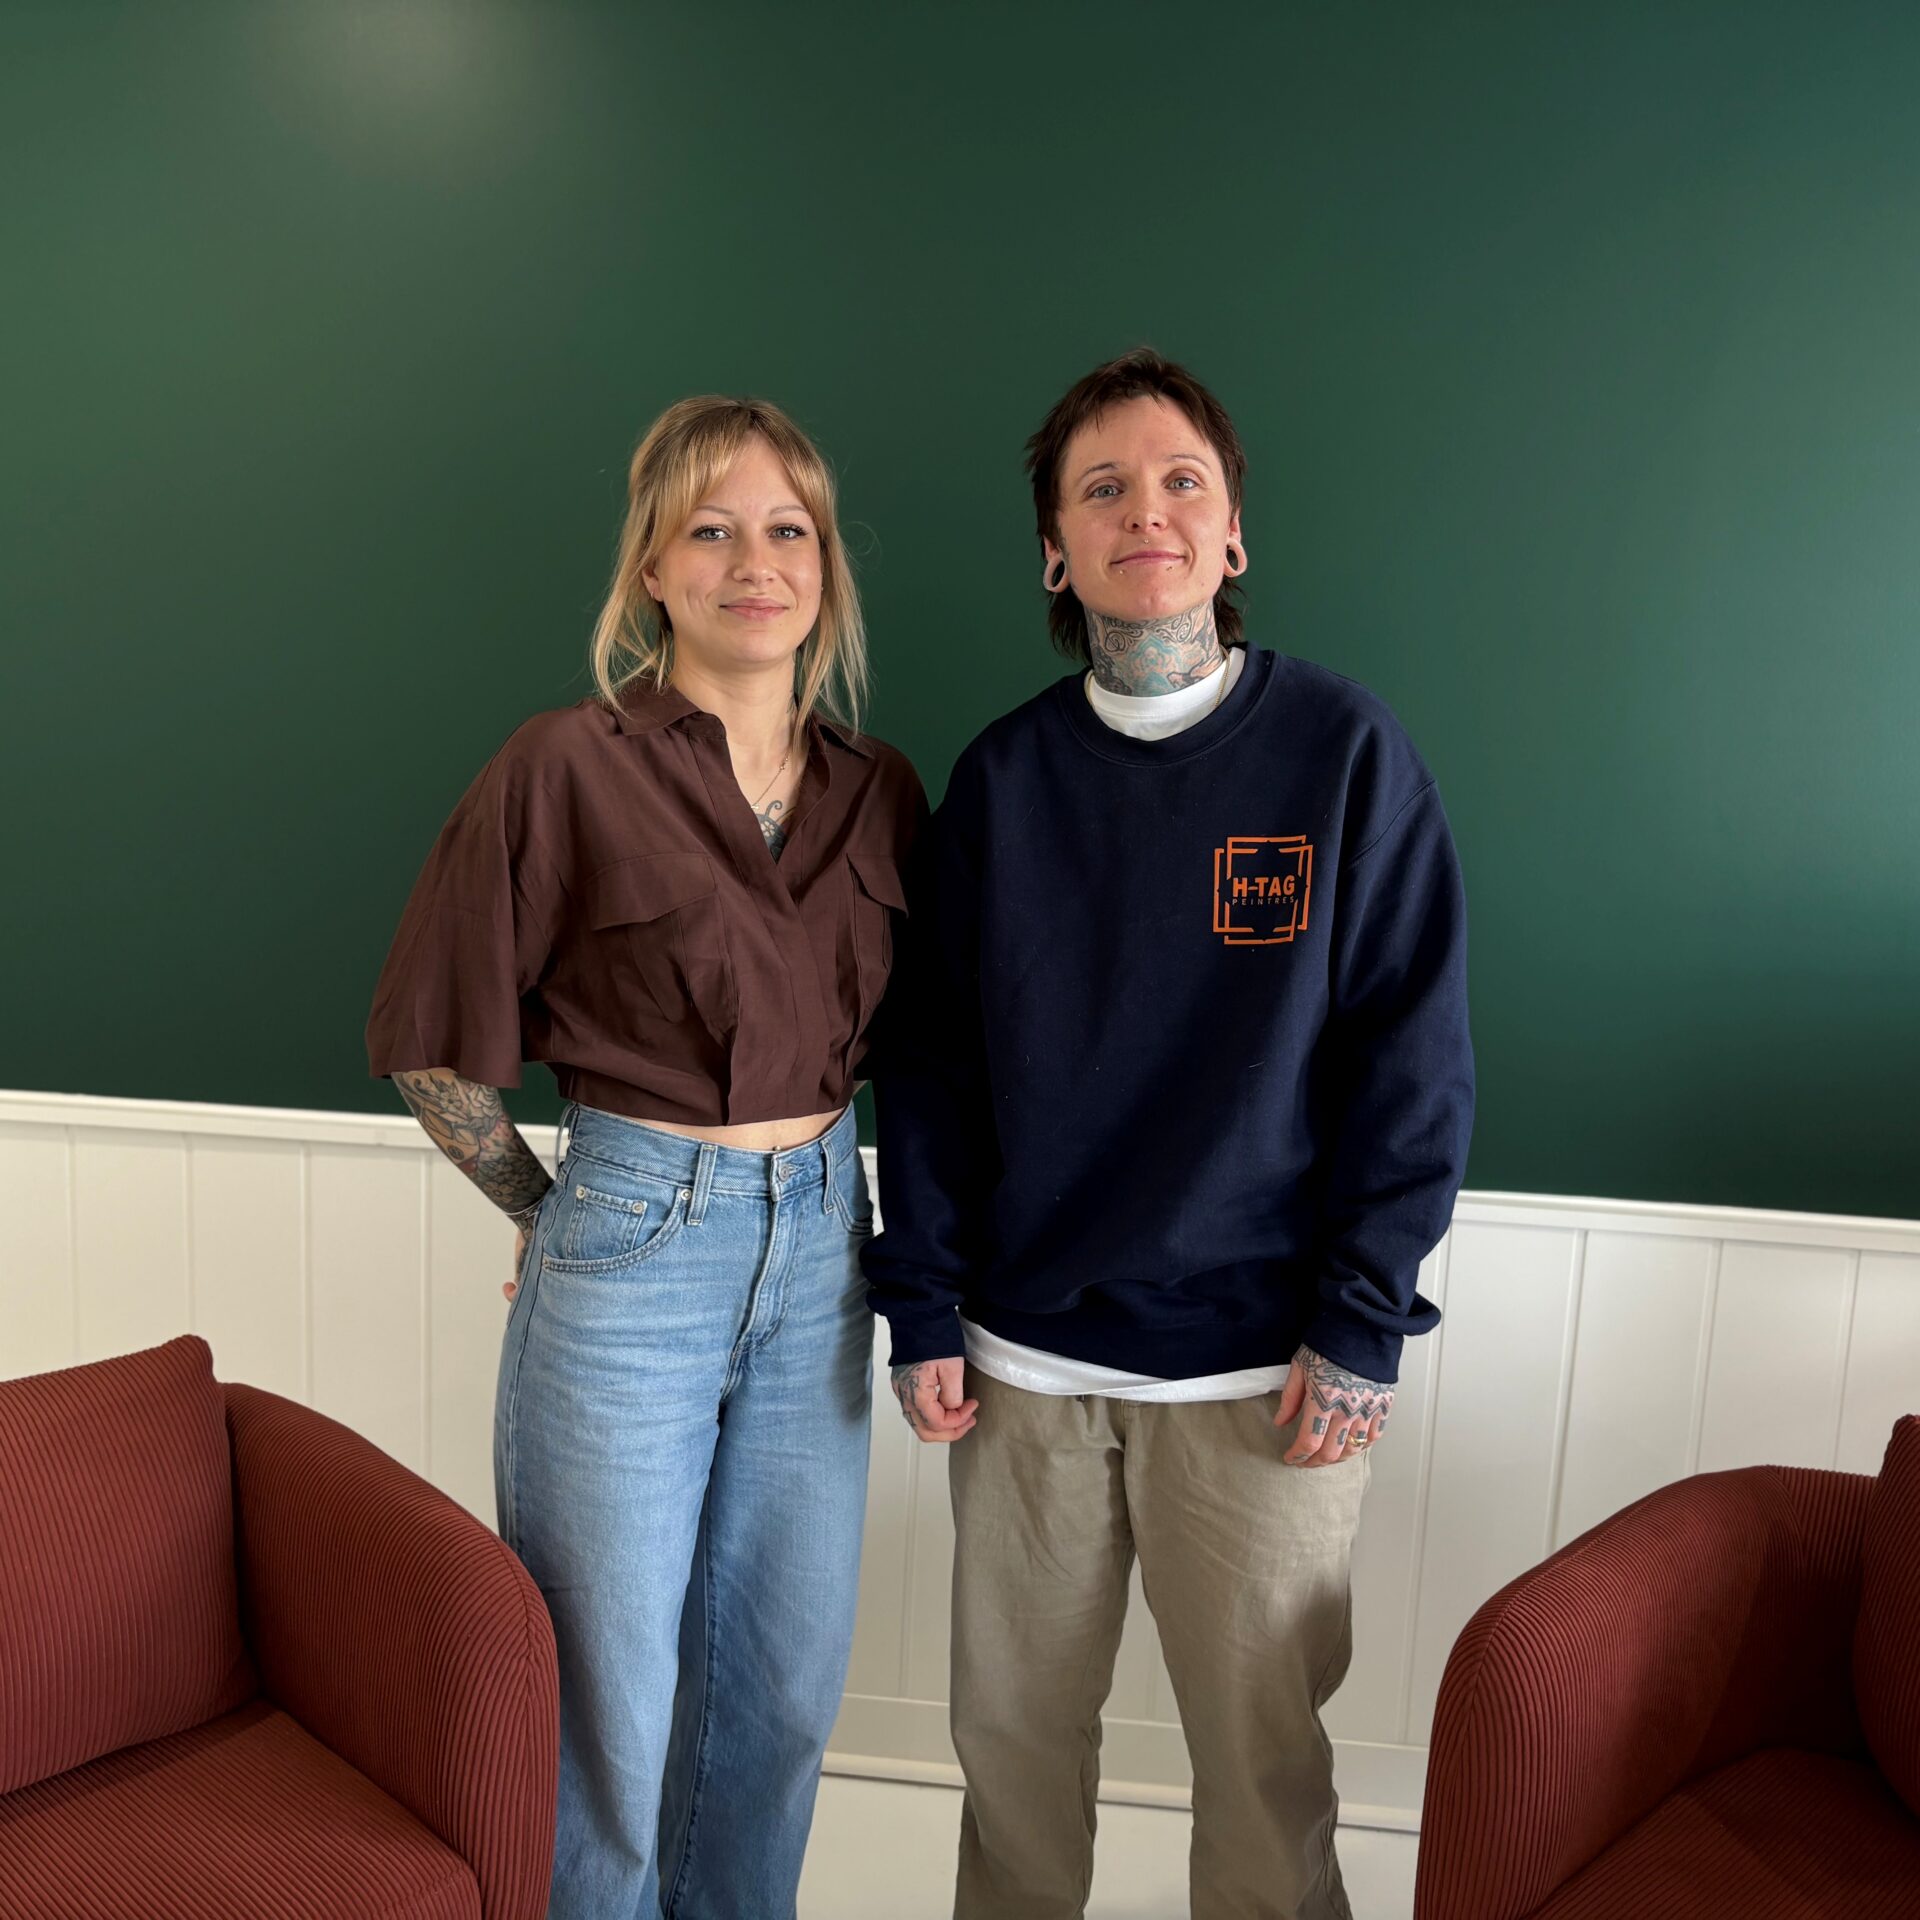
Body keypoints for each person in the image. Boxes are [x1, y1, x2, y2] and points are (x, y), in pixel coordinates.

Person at [863, 348, 1474, 1920]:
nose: (1149, 511)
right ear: (1055, 554)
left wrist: (1362, 1322)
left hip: (1267, 1379)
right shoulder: (1001, 785)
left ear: (1234, 532)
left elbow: (1413, 1066)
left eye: (1181, 480)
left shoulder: (1345, 756)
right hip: (1023, 1369)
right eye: (1104, 488)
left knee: (1263, 1775)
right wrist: (918, 1302)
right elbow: (928, 1071)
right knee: (1012, 1759)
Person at [365, 395, 923, 1918]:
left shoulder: (881, 790)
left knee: (781, 1692)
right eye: (712, 530)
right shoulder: (564, 765)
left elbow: (937, 1056)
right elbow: (431, 1042)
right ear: (653, 571)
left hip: (828, 1245)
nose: (757, 561)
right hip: (633, 1242)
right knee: (606, 1699)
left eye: (789, 530)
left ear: (827, 567)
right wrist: (553, 1215)